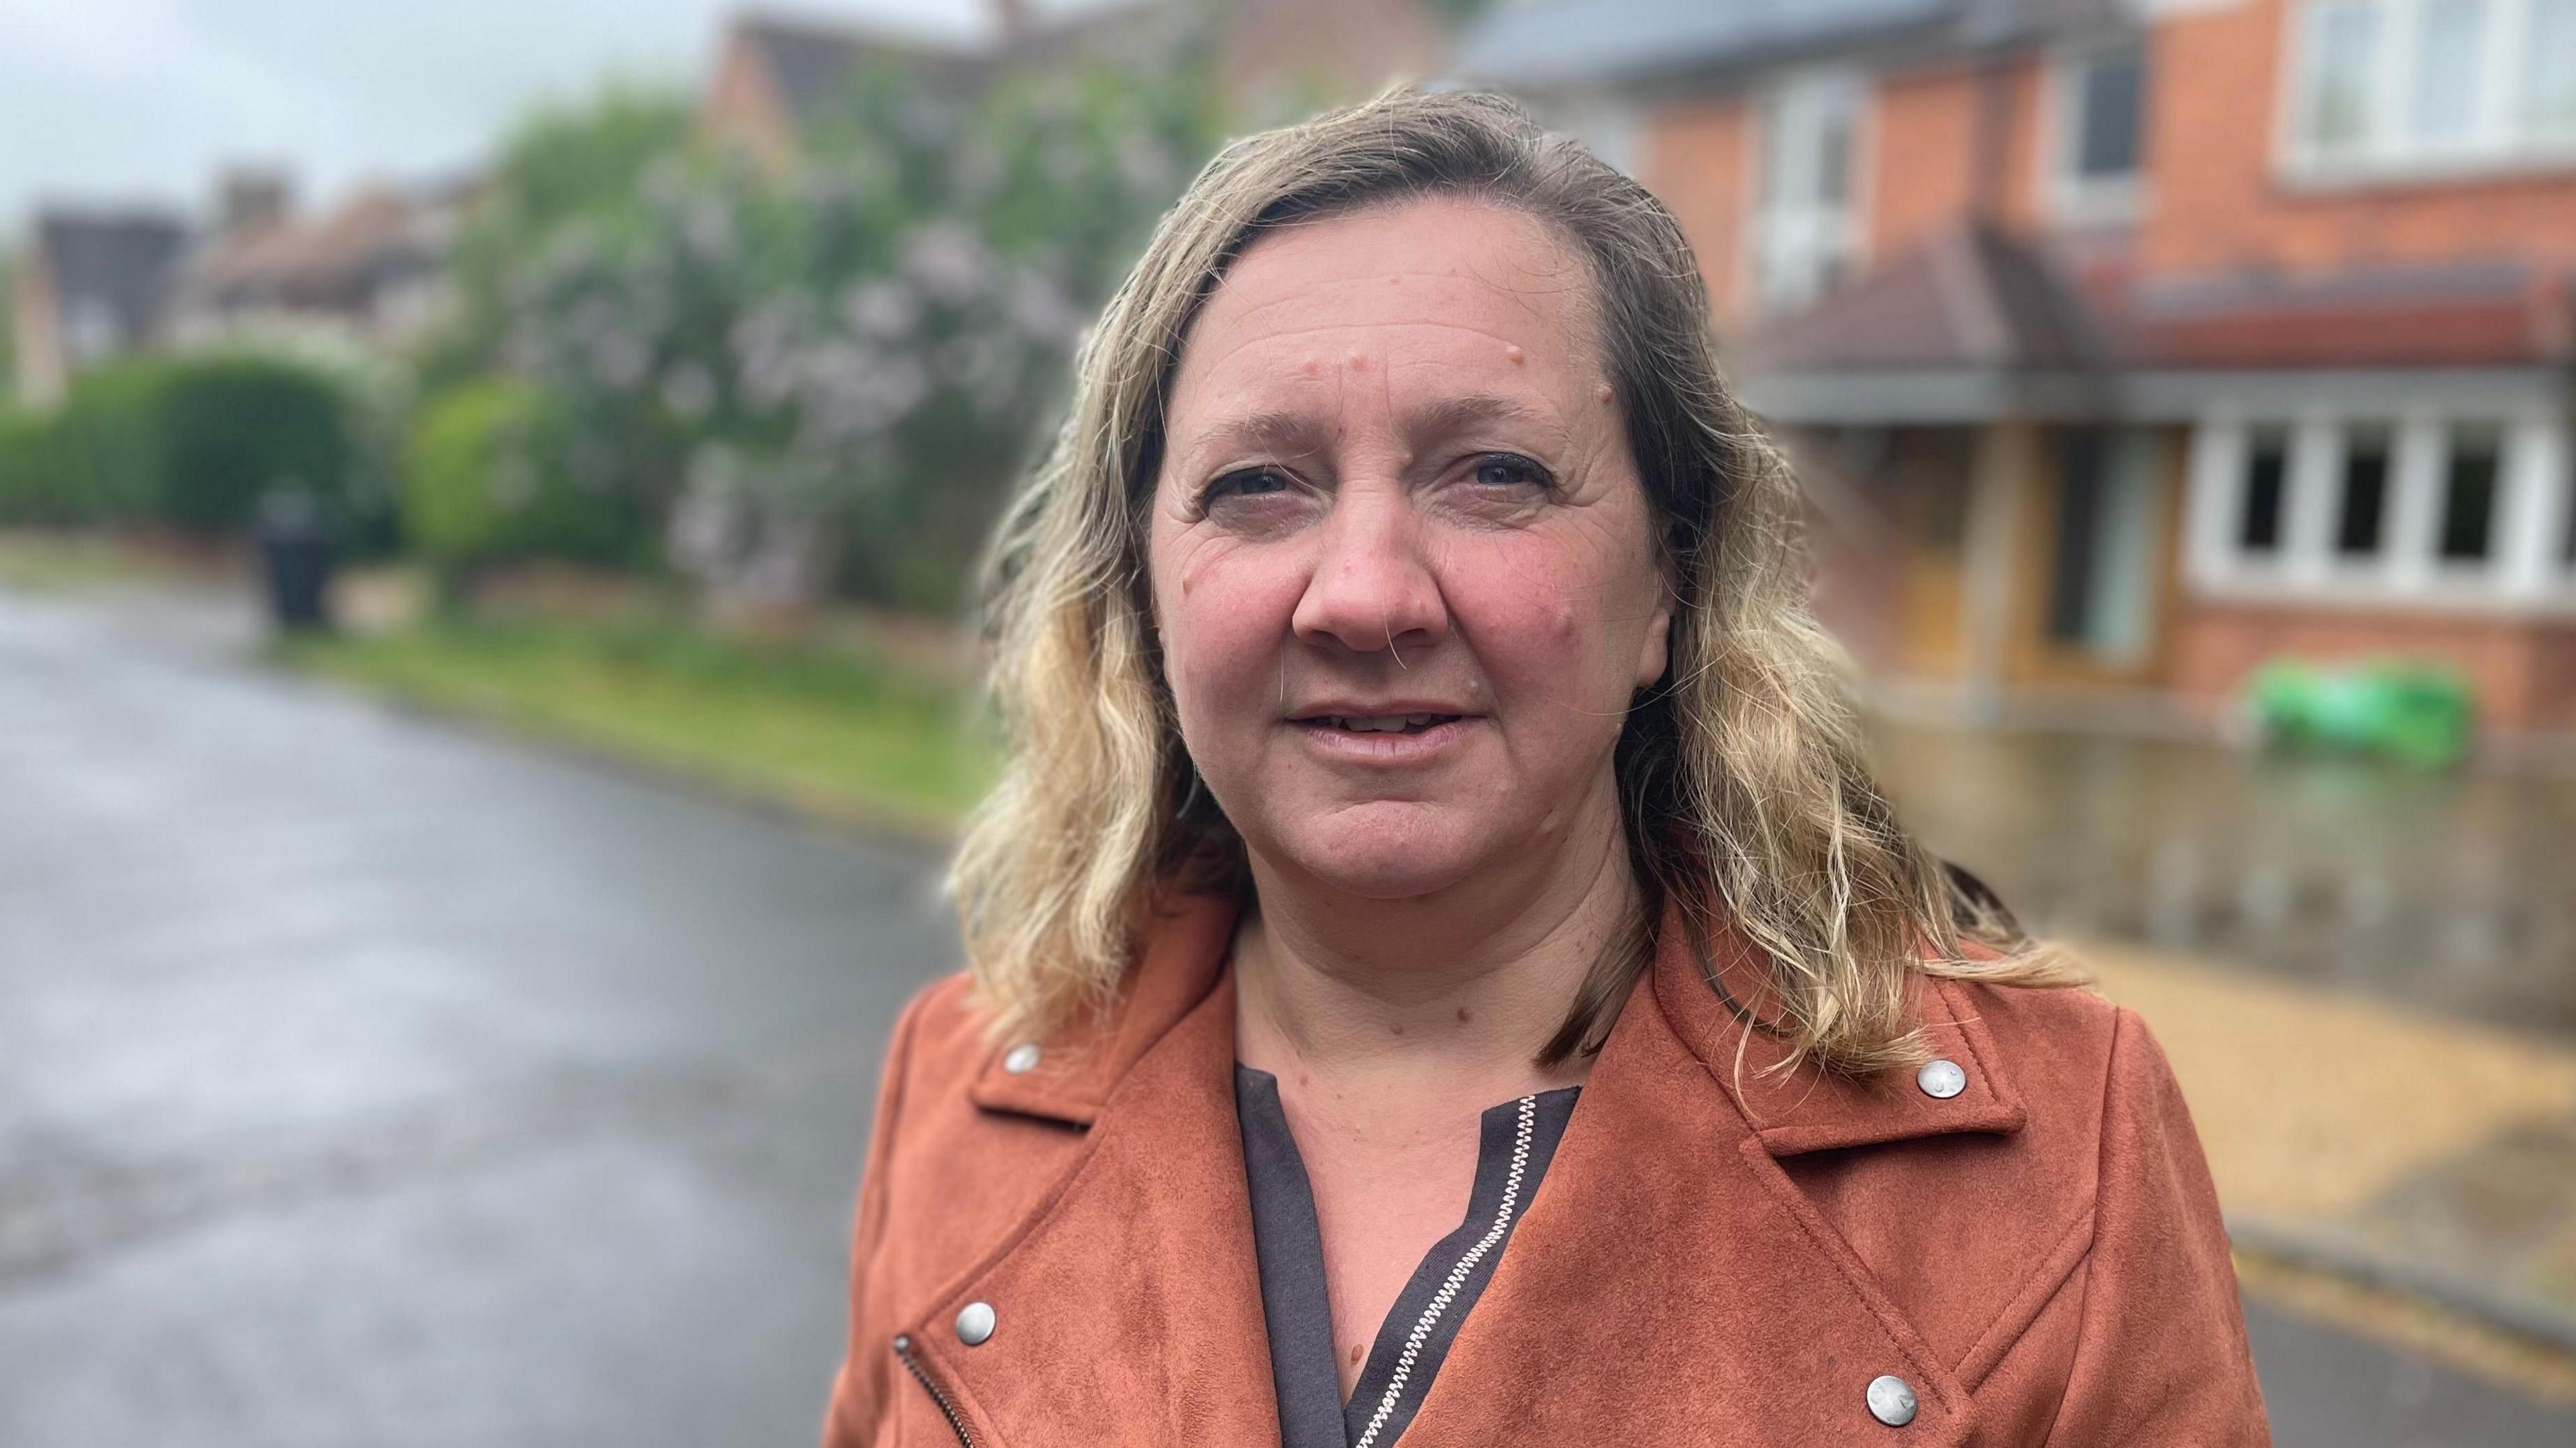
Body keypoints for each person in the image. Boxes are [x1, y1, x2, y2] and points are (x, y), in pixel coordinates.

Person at [820, 89, 2270, 1447]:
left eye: (1494, 473)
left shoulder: (2060, 1158)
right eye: (1259, 484)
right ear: (1144, 594)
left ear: (1665, 587)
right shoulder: (957, 1090)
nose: (1364, 595)